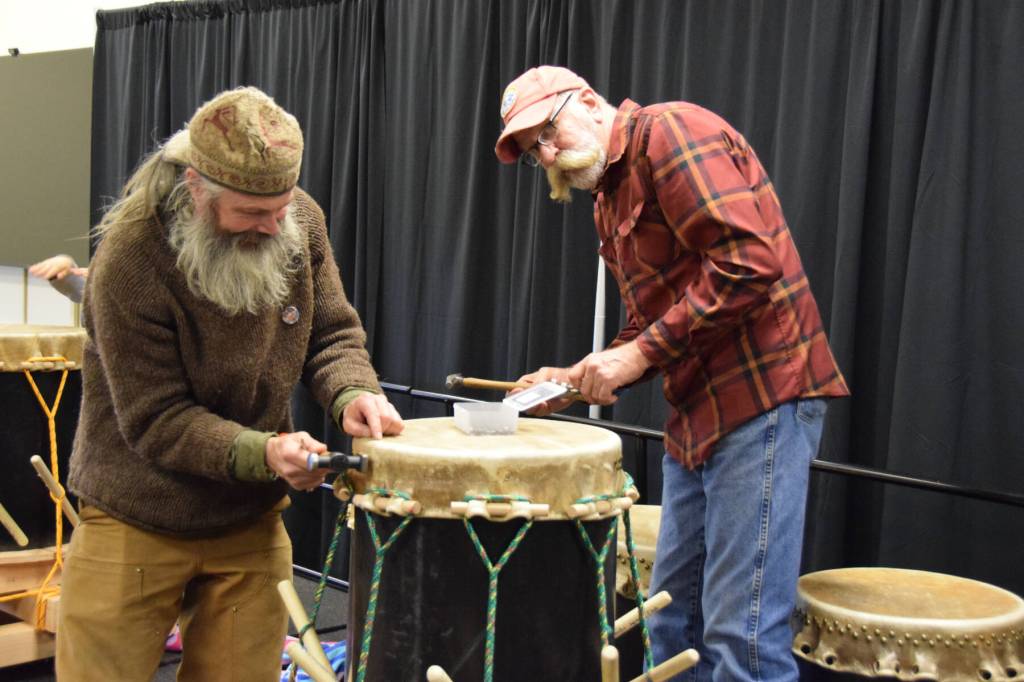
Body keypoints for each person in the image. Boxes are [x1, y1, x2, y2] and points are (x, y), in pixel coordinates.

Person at [495, 66, 849, 681]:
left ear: (586, 100)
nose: (548, 155)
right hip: (696, 413)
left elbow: (748, 262)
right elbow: (650, 326)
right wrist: (575, 378)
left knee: (743, 637)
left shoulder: (670, 134)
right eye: (535, 153)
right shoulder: (607, 200)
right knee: (669, 619)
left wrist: (634, 356)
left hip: (761, 399)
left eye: (547, 133)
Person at [57, 86, 404, 681]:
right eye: (250, 214)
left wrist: (354, 392)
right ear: (196, 189)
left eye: (282, 207)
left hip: (247, 517)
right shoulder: (130, 259)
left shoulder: (299, 220)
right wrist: (266, 452)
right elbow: (157, 418)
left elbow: (332, 333)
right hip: (134, 514)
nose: (273, 227)